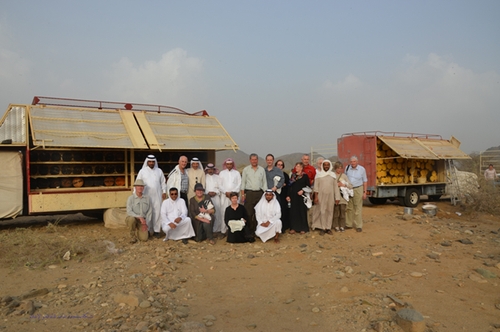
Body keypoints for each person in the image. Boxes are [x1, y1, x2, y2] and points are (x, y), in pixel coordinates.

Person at [136, 155, 167, 238]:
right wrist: (136, 194)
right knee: (148, 213)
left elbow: (163, 182)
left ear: (155, 162)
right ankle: (149, 230)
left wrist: (164, 191)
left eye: (153, 161)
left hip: (157, 196)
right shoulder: (142, 171)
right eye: (149, 161)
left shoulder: (159, 171)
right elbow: (138, 183)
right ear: (147, 162)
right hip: (146, 196)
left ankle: (157, 231)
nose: (151, 163)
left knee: (157, 212)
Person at [240, 153, 267, 236]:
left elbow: (264, 182)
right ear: (250, 160)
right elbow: (243, 183)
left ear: (257, 160)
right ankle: (249, 231)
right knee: (248, 213)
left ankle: (256, 230)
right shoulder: (246, 170)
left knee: (258, 213)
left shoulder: (262, 170)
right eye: (252, 159)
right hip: (249, 193)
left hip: (259, 193)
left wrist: (265, 194)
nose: (254, 161)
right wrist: (243, 195)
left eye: (256, 159)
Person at [312, 160, 340, 235]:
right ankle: (323, 227)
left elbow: (336, 187)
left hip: (331, 196)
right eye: (325, 165)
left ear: (330, 166)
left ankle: (328, 228)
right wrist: (316, 197)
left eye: (328, 165)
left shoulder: (333, 175)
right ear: (322, 166)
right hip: (321, 196)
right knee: (322, 211)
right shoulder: (318, 175)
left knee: (330, 211)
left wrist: (337, 197)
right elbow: (316, 187)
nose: (326, 166)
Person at [219, 158, 242, 236]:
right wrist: (226, 192)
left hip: (234, 196)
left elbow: (239, 184)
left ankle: (234, 230)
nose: (229, 165)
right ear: (225, 165)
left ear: (233, 165)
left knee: (235, 212)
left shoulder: (237, 173)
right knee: (224, 212)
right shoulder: (222, 173)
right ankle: (223, 231)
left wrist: (232, 193)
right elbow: (220, 185)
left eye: (230, 164)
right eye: (227, 164)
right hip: (225, 196)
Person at [345, 156, 368, 232]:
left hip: (358, 188)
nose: (353, 163)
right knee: (349, 207)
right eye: (351, 161)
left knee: (358, 207)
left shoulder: (362, 169)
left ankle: (358, 225)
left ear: (357, 162)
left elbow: (365, 181)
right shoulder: (347, 168)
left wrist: (364, 192)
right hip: (349, 189)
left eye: (354, 161)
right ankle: (348, 224)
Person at [287, 162, 310, 234]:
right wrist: (288, 195)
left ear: (302, 168)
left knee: (301, 212)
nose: (297, 168)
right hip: (293, 196)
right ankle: (293, 228)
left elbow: (308, 186)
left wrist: (303, 190)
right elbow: (289, 186)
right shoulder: (293, 176)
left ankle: (303, 228)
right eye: (296, 166)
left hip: (301, 197)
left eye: (298, 166)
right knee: (293, 212)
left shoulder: (305, 176)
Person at [126, 179, 152, 243]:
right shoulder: (130, 198)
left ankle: (140, 231)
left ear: (143, 188)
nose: (140, 188)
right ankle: (132, 235)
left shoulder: (147, 198)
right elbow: (129, 211)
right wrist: (139, 217)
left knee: (144, 239)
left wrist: (146, 223)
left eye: (141, 186)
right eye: (138, 186)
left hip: (143, 221)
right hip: (134, 218)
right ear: (135, 187)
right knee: (131, 219)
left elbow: (150, 211)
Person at [333, 161, 353, 232]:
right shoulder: (333, 176)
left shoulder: (344, 176)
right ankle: (335, 226)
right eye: (338, 168)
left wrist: (344, 185)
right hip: (335, 197)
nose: (339, 169)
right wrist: (336, 184)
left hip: (343, 198)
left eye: (341, 168)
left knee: (342, 213)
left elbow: (350, 185)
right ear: (335, 168)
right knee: (336, 213)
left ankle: (342, 226)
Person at [205, 163, 224, 236]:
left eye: (212, 169)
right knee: (209, 214)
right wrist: (208, 193)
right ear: (207, 170)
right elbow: (204, 188)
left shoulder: (218, 177)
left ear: (214, 170)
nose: (210, 171)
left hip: (216, 197)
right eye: (209, 169)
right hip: (207, 198)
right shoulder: (205, 177)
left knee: (218, 213)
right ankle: (209, 231)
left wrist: (216, 192)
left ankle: (217, 230)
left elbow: (221, 187)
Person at [275, 159, 290, 232]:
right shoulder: (272, 174)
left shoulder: (285, 175)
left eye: (281, 165)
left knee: (283, 210)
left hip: (283, 195)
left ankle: (283, 227)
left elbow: (288, 186)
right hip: (275, 195)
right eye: (278, 164)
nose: (280, 166)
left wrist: (287, 195)